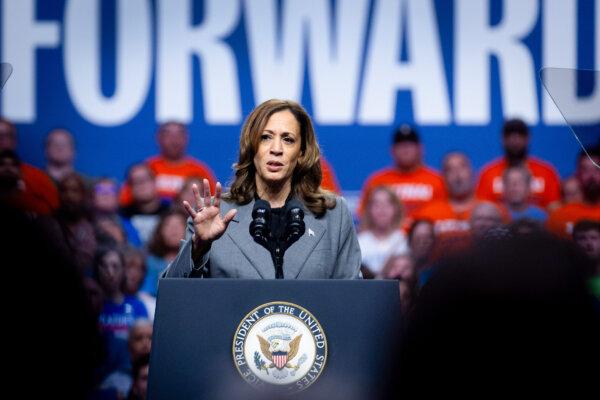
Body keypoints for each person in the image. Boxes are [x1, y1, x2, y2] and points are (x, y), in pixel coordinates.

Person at [163, 99, 361, 279]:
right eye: (266, 137)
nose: (276, 149)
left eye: (288, 139)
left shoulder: (334, 214)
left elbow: (351, 300)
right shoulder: (215, 214)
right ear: (251, 146)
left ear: (301, 152)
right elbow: (175, 299)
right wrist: (198, 247)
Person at [358, 125, 446, 218]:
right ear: (392, 150)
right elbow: (364, 216)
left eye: (410, 144)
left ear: (421, 149)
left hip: (426, 231)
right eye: (401, 145)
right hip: (388, 232)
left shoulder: (437, 180)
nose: (406, 149)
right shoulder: (377, 181)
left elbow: (446, 213)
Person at [119, 121, 217, 205]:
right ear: (159, 138)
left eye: (179, 135)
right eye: (168, 135)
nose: (174, 140)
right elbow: (125, 200)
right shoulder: (148, 168)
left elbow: (214, 203)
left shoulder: (200, 171)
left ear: (186, 138)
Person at [476, 118, 561, 209]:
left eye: (520, 135)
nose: (515, 140)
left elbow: (554, 209)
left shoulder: (546, 172)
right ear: (502, 140)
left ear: (528, 139)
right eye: (509, 136)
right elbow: (482, 209)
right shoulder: (488, 173)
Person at [412, 152, 476, 247]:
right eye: (450, 170)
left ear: (472, 173)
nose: (457, 175)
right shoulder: (427, 215)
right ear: (443, 177)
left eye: (462, 167)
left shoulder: (490, 212)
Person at [0, 117, 59, 213]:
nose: (1, 140)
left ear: (15, 141)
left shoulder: (38, 178)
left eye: (7, 135)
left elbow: (49, 214)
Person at [547, 146, 600, 237]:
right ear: (577, 174)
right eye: (585, 170)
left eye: (597, 169)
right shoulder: (560, 216)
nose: (591, 176)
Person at [357, 186, 409, 277]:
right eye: (376, 204)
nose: (382, 209)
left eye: (387, 204)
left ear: (396, 208)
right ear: (368, 209)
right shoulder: (358, 242)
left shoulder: (404, 240)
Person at [119, 163, 171, 245]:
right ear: (129, 187)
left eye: (145, 179)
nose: (141, 185)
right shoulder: (121, 216)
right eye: (135, 181)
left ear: (154, 181)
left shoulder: (172, 211)